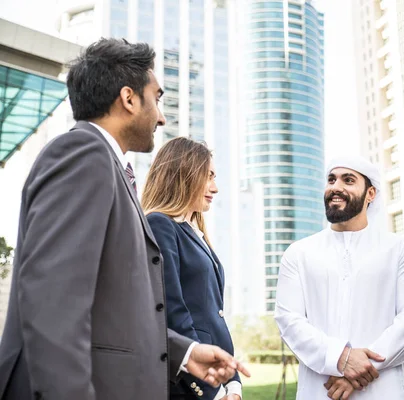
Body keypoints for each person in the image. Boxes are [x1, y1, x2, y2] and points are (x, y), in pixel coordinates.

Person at [0, 38, 248, 400]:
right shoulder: (84, 154)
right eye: (157, 97)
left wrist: (184, 352)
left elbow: (113, 312)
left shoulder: (110, 167)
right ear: (129, 98)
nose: (161, 117)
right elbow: (53, 307)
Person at [274, 156, 404, 399]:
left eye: (348, 180)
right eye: (331, 180)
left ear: (370, 193)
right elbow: (289, 320)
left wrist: (360, 368)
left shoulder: (399, 250)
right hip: (320, 392)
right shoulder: (299, 253)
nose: (336, 187)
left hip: (384, 390)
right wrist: (341, 358)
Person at [142, 137, 242, 400]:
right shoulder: (160, 225)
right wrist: (212, 391)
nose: (215, 187)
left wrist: (233, 383)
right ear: (184, 175)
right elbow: (174, 314)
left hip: (217, 379)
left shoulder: (193, 232)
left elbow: (213, 317)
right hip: (187, 386)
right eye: (208, 176)